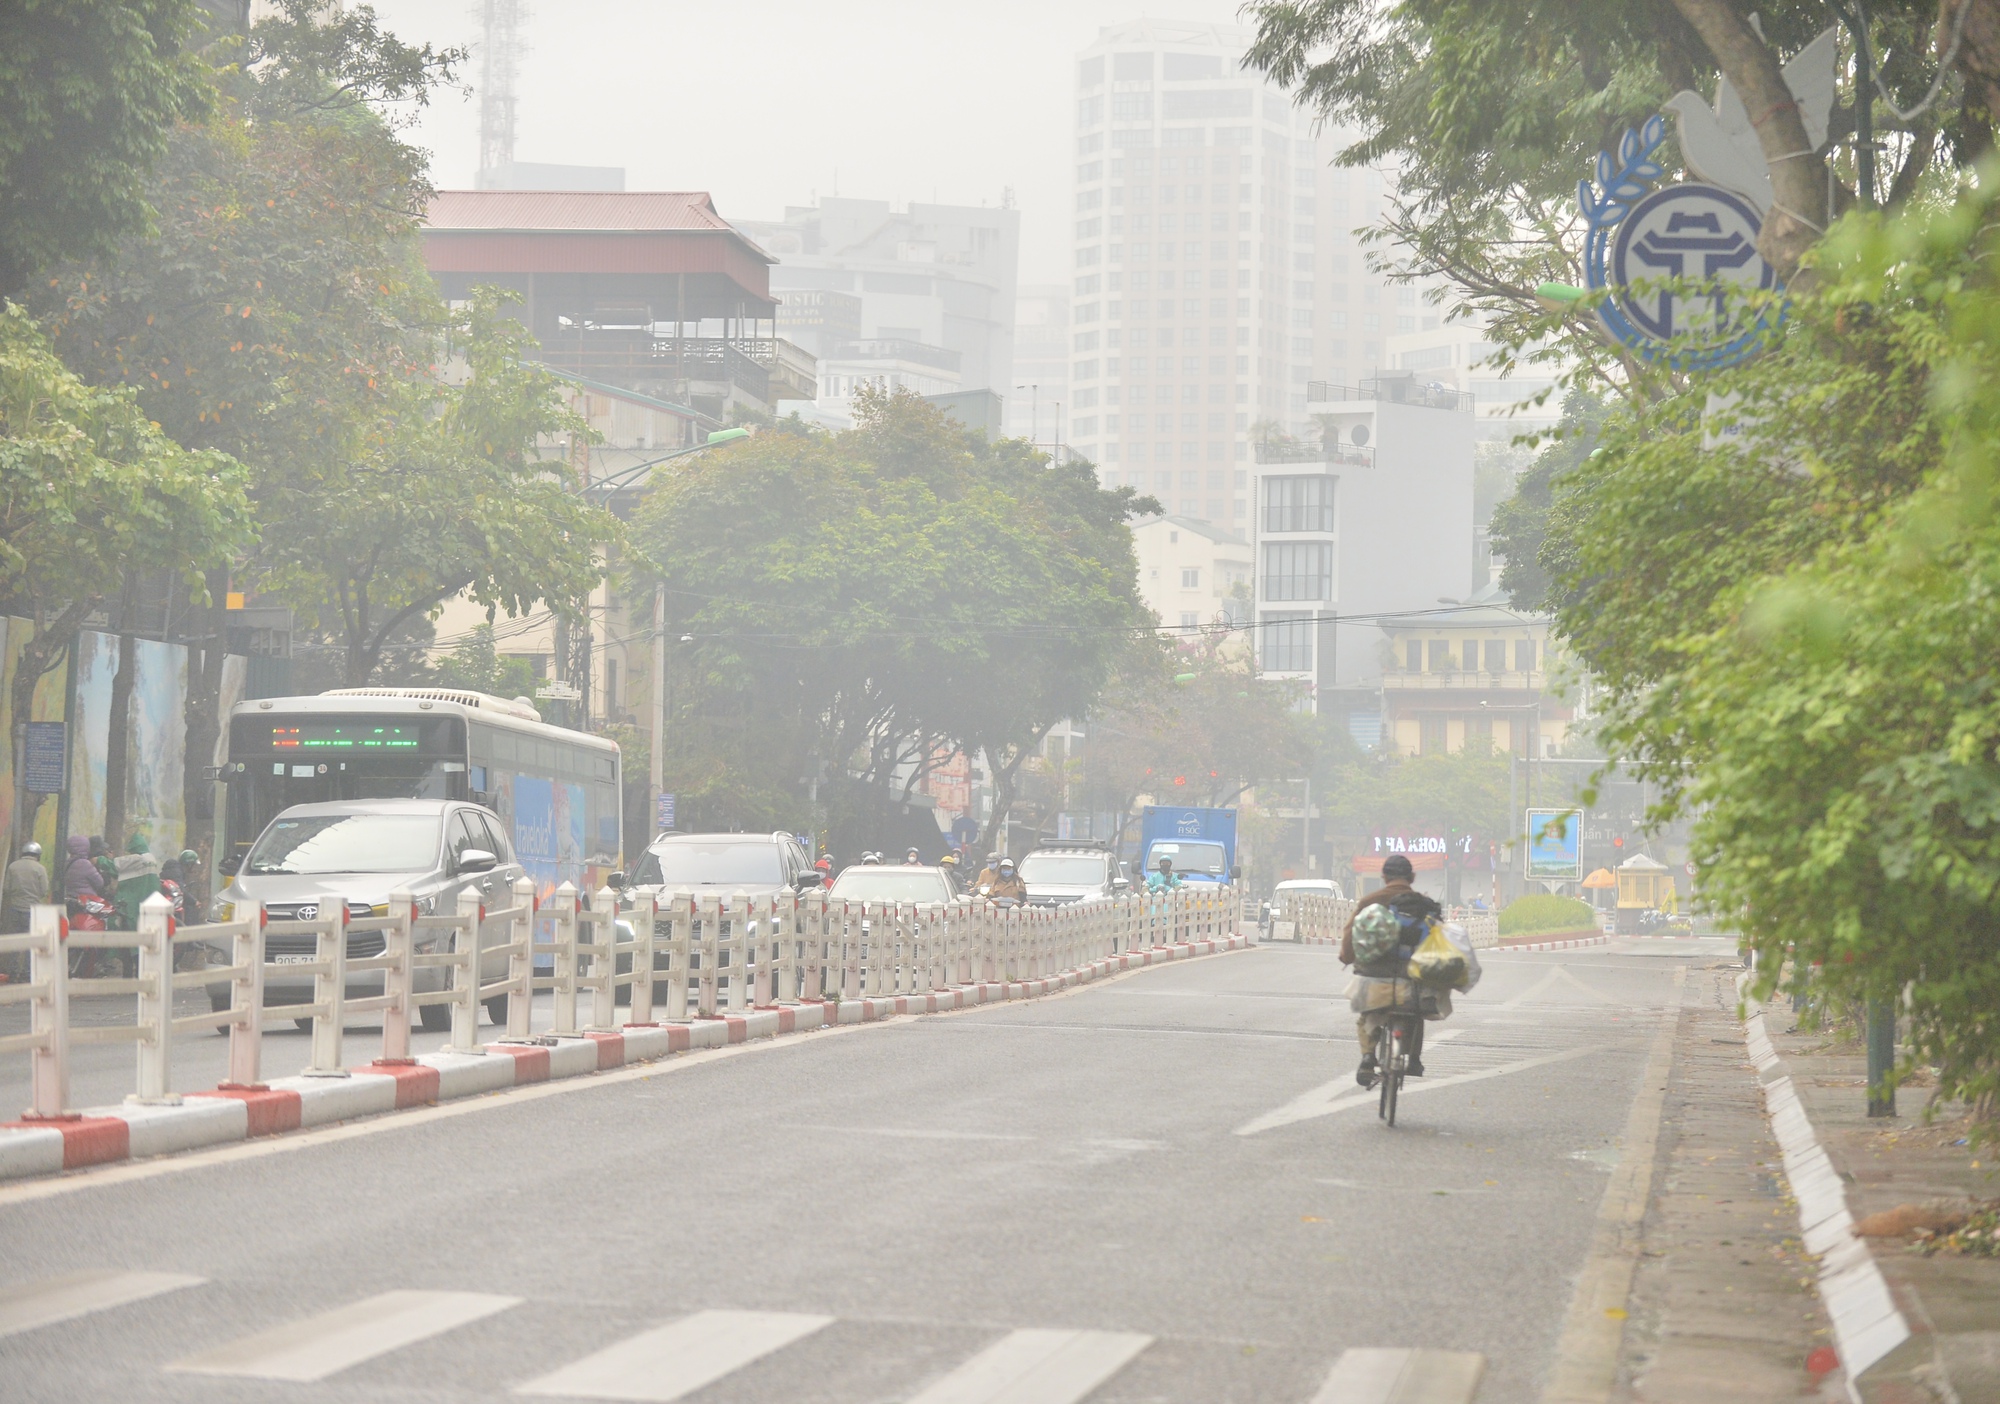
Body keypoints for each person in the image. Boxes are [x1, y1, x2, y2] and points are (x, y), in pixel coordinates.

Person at [1342, 853, 1443, 1087]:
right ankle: (1414, 1059)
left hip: (1374, 976)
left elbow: (1350, 936)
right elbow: (1442, 944)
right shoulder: (1426, 906)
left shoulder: (1369, 902)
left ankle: (1368, 1056)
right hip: (1413, 978)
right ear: (1413, 877)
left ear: (1383, 876)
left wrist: (1347, 958)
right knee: (1416, 1014)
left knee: (1368, 1015)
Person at [114, 833, 163, 931]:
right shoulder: (151, 858)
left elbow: (116, 866)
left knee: (131, 927)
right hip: (152, 901)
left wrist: (99, 860)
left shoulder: (139, 859)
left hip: (137, 902)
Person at [2, 842, 48, 934]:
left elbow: (6, 888)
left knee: (15, 937)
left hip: (14, 909)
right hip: (32, 910)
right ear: (38, 855)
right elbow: (44, 890)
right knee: (29, 938)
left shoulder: (13, 866)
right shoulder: (40, 869)